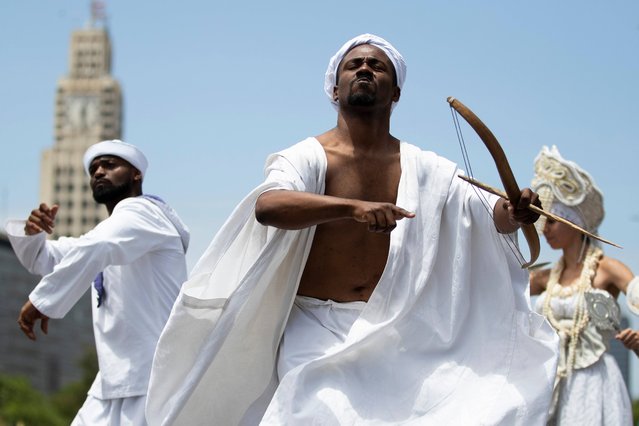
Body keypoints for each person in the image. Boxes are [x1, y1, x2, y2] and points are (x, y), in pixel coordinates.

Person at [146, 34, 558, 425]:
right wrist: (352, 208)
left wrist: (515, 210)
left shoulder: (427, 167)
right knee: (314, 410)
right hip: (316, 329)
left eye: (377, 66)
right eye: (353, 65)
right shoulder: (307, 156)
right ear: (335, 88)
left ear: (395, 92)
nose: (364, 70)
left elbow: (487, 213)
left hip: (398, 332)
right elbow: (268, 206)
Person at [5, 140, 190, 426]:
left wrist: (42, 302)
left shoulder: (144, 213)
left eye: (109, 165)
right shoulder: (105, 235)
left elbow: (96, 247)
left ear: (136, 174)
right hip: (112, 382)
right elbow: (47, 259)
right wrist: (33, 235)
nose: (99, 172)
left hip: (152, 378)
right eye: (93, 169)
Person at [529, 145, 639, 425]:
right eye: (544, 222)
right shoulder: (543, 277)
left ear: (575, 224)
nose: (545, 229)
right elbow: (496, 293)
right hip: (551, 382)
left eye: (552, 222)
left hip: (596, 384)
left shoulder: (607, 269)